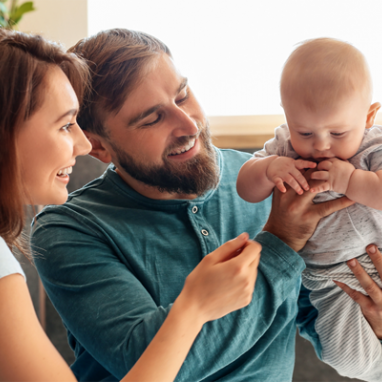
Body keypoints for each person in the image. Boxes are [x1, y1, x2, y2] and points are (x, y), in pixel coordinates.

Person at [30, 28, 382, 382]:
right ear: (98, 147)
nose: (188, 125)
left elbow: (321, 312)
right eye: (152, 118)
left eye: (182, 96)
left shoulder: (275, 181)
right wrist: (280, 242)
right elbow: (148, 366)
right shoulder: (67, 231)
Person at [0, 29, 264, 382]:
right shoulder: (67, 230)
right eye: (66, 125)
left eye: (182, 96)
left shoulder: (265, 179)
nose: (79, 145)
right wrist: (194, 306)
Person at [237, 37, 382, 381]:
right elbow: (245, 188)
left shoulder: (373, 145)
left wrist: (351, 181)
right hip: (330, 278)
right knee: (347, 358)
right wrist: (268, 168)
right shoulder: (284, 147)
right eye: (305, 131)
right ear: (287, 118)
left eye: (337, 131)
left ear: (368, 116)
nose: (320, 145)